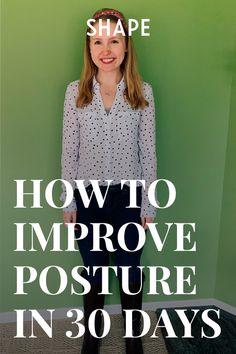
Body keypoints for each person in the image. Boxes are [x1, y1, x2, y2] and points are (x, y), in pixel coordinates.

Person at [60, 8, 157, 354]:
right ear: (88, 48)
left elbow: (148, 153)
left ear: (126, 46)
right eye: (98, 40)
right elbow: (69, 152)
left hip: (129, 199)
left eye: (114, 40)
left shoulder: (142, 92)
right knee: (95, 268)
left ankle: (133, 338)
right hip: (87, 199)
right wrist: (69, 201)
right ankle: (92, 336)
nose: (106, 48)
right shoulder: (76, 92)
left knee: (129, 269)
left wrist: (149, 204)